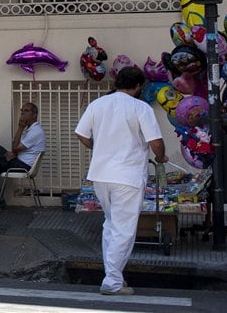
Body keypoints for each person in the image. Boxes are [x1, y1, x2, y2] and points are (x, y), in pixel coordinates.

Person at [75, 66, 167, 296]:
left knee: (111, 225)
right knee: (123, 229)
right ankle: (113, 281)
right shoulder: (140, 107)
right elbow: (155, 141)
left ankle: (113, 275)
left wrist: (99, 148)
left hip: (100, 175)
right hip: (127, 176)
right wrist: (161, 157)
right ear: (137, 86)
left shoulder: (97, 105)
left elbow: (81, 134)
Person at [0, 102, 47, 209]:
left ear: (34, 115)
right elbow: (16, 149)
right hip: (19, 162)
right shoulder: (31, 130)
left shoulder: (35, 131)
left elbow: (15, 148)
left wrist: (20, 127)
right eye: (22, 111)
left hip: (23, 166)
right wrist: (13, 153)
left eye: (26, 111)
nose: (22, 114)